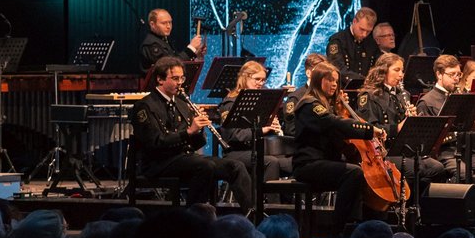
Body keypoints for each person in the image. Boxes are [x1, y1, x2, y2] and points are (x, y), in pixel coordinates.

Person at [130, 57, 254, 206]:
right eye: (175, 78)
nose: (180, 82)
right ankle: (195, 216)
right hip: (158, 163)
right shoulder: (145, 106)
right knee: (204, 166)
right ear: (160, 79)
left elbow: (196, 144)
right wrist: (188, 132)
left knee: (236, 166)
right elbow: (155, 143)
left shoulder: (182, 104)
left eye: (182, 77)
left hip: (183, 158)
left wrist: (199, 130)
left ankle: (251, 215)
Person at [285, 60, 384, 225]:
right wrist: (369, 129)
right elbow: (334, 123)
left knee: (358, 172)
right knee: (353, 173)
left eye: (336, 81)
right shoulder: (309, 104)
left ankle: (357, 224)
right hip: (308, 165)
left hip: (325, 162)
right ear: (318, 80)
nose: (334, 84)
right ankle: (339, 228)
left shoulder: (328, 105)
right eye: (329, 80)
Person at [358, 53, 450, 182]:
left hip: (404, 148)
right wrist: (398, 127)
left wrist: (412, 120)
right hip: (385, 150)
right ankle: (406, 201)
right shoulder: (369, 96)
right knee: (415, 170)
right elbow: (369, 128)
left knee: (438, 168)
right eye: (396, 70)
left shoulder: (403, 94)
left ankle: (420, 201)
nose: (401, 75)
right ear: (383, 71)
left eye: (402, 70)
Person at [217, 61, 293, 189]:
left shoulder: (262, 100)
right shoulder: (230, 103)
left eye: (263, 80)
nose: (260, 83)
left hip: (258, 149)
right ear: (245, 77)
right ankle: (268, 204)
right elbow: (234, 136)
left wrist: (274, 127)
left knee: (294, 161)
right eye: (257, 79)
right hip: (237, 151)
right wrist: (262, 130)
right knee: (271, 162)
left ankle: (291, 204)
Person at [139, 8, 205, 70]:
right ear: (152, 24)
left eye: (170, 22)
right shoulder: (151, 45)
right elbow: (170, 67)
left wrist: (196, 53)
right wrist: (191, 48)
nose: (168, 26)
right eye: (164, 23)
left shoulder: (165, 40)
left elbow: (176, 60)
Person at [327, 7, 381, 79]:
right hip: (343, 88)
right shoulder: (338, 41)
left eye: (368, 31)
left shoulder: (371, 43)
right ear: (354, 21)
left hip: (367, 88)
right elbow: (337, 68)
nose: (364, 34)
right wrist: (363, 81)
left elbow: (380, 62)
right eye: (362, 29)